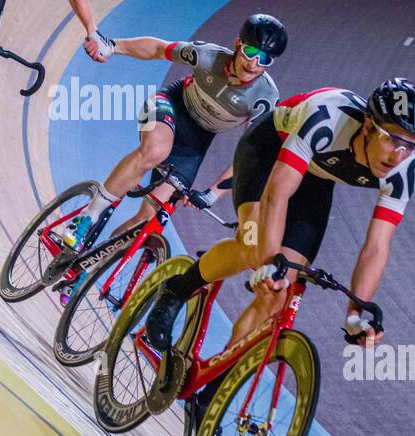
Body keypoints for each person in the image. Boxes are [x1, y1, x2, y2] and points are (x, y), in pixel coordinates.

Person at [146, 79, 415, 356]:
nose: (398, 155)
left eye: (410, 145)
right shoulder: (328, 117)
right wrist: (270, 262)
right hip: (266, 153)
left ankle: (216, 386)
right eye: (391, 140)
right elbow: (277, 194)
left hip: (316, 179)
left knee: (278, 292)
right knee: (254, 248)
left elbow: (377, 247)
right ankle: (177, 288)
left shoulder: (404, 170)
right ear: (369, 125)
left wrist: (355, 314)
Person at [55, 14, 288, 286]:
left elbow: (253, 153)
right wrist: (112, 45)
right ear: (238, 44)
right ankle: (87, 217)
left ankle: (86, 266)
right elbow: (157, 49)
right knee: (155, 151)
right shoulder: (208, 56)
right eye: (250, 51)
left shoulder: (265, 98)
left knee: (148, 219)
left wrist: (212, 195)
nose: (254, 63)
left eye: (265, 59)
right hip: (173, 107)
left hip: (196, 142)